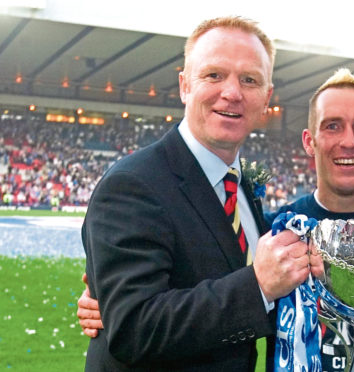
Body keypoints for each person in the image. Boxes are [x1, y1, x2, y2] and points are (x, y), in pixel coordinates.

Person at [79, 68, 354, 371]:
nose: (348, 141)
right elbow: (211, 285)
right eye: (332, 126)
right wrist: (107, 303)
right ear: (309, 142)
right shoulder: (279, 233)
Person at [81, 16, 322, 371]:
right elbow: (133, 330)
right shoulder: (132, 184)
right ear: (184, 85)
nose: (232, 92)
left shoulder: (240, 188)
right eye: (214, 75)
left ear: (266, 98)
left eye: (249, 80)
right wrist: (258, 285)